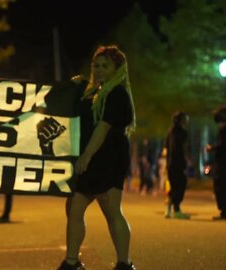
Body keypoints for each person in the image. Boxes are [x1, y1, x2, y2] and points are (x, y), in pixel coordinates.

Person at [58, 45, 136, 270]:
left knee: (111, 210)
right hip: (87, 157)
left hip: (108, 158)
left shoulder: (117, 93)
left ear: (117, 69)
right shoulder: (91, 92)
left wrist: (86, 156)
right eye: (96, 65)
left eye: (105, 66)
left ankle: (124, 263)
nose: (99, 69)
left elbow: (103, 127)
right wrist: (72, 87)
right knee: (73, 208)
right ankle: (71, 262)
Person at [164, 111, 191, 219]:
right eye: (185, 118)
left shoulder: (170, 132)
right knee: (181, 185)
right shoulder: (183, 133)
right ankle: (177, 209)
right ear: (180, 120)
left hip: (170, 164)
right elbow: (184, 148)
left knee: (174, 185)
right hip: (179, 163)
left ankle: (169, 209)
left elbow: (166, 148)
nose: (187, 120)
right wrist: (187, 160)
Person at [207, 105, 226, 220]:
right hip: (221, 163)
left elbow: (222, 146)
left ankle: (224, 210)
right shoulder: (222, 131)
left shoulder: (224, 132)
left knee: (220, 186)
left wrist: (213, 148)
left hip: (223, 165)